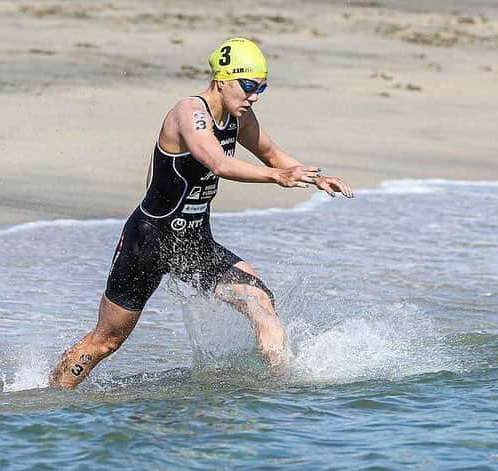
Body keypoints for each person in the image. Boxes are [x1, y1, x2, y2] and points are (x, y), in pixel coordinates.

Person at [50, 37, 353, 389]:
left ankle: (281, 388)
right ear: (223, 79)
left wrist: (316, 177)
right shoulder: (189, 113)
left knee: (260, 301)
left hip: (194, 243)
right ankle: (54, 396)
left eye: (262, 88)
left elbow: (272, 154)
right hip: (148, 243)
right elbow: (218, 162)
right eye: (249, 86)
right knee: (106, 341)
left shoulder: (241, 117)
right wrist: (278, 177)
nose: (254, 96)